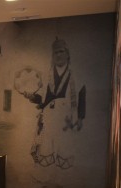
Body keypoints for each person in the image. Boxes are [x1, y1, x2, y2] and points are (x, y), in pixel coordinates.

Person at [26, 37, 85, 170]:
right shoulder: (47, 75)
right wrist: (32, 97)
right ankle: (45, 180)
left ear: (67, 54)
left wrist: (80, 117)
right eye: (55, 53)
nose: (58, 55)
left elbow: (81, 96)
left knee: (64, 151)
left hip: (66, 119)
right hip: (50, 117)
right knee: (47, 149)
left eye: (61, 51)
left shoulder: (76, 75)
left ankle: (61, 183)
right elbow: (42, 98)